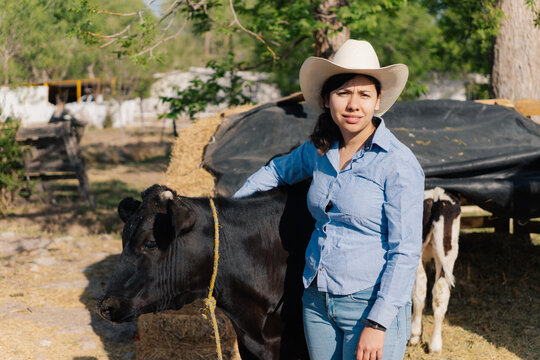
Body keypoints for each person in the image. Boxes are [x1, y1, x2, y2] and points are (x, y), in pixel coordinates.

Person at [233, 39, 424, 360]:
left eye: (364, 94)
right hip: (316, 301)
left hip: (369, 305)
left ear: (378, 101)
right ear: (326, 100)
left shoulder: (397, 163)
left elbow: (405, 251)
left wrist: (378, 324)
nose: (353, 104)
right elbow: (277, 171)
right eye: (343, 93)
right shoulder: (320, 150)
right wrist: (226, 212)